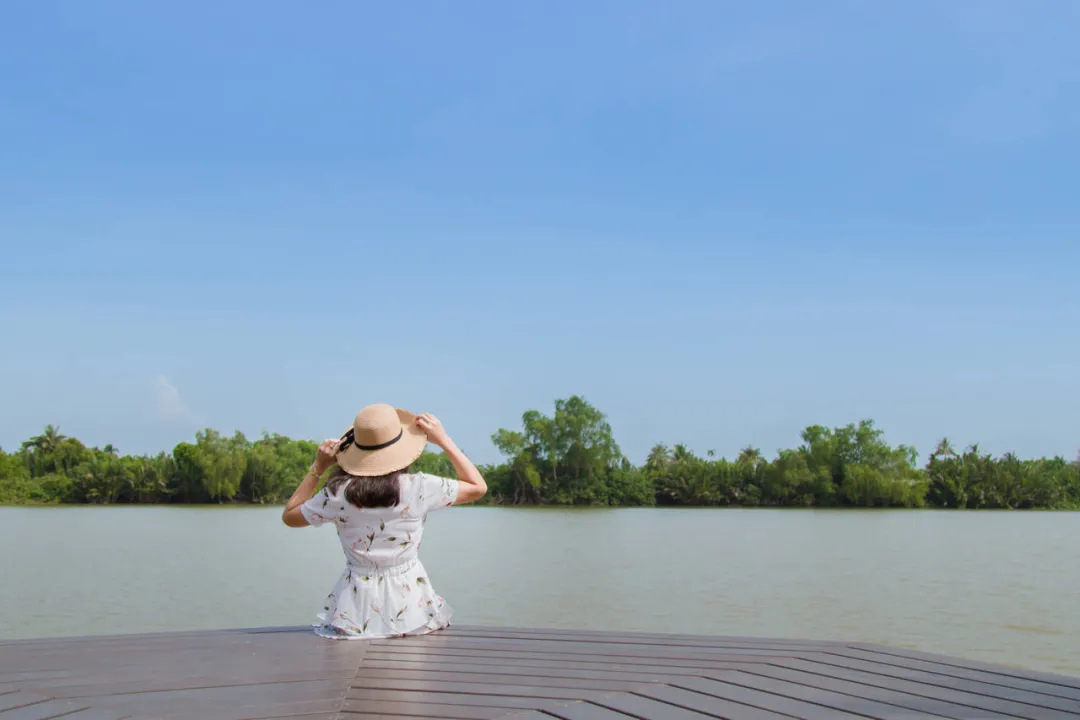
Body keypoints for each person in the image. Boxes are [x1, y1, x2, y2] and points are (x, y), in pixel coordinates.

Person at [281, 403, 487, 639]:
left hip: (354, 608)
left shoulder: (337, 494)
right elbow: (478, 487)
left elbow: (290, 516)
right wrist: (443, 440)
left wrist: (318, 467)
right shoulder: (420, 487)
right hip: (412, 606)